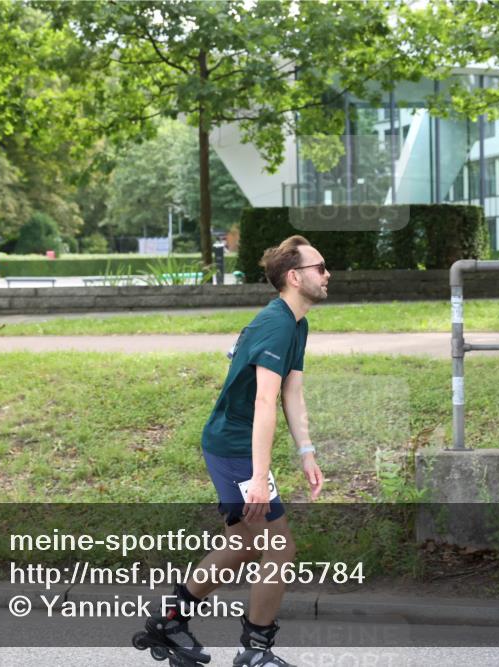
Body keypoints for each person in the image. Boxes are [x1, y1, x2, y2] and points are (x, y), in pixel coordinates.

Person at [138, 235, 328, 667]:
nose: (327, 274)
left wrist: (307, 451)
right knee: (279, 548)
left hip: (232, 444)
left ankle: (169, 622)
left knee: (243, 544)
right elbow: (264, 400)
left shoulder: (296, 323)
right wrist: (259, 476)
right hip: (236, 449)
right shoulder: (277, 324)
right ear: (294, 277)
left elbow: (292, 391)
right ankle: (256, 651)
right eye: (319, 267)